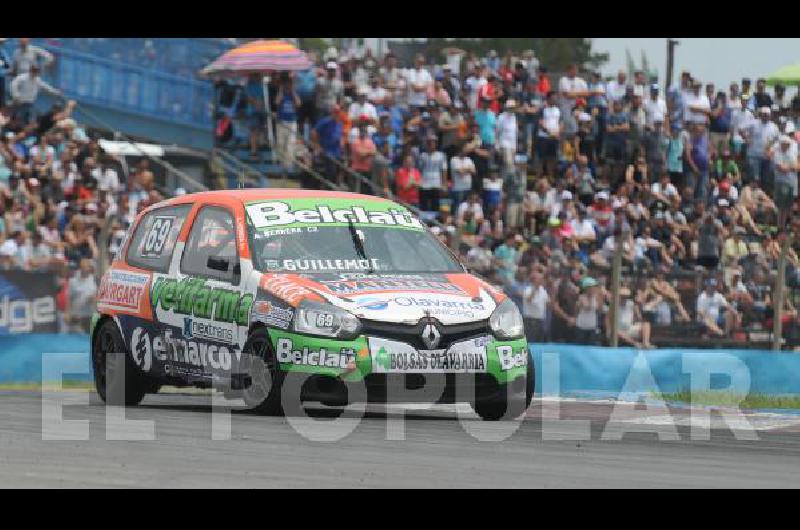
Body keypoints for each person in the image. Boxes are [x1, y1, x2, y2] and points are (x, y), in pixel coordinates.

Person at [418, 136, 447, 213]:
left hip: (436, 183)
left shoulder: (441, 155)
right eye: (430, 143)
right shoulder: (423, 155)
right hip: (425, 183)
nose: (431, 144)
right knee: (424, 205)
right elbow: (420, 170)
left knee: (435, 205)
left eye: (433, 143)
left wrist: (444, 184)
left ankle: (434, 223)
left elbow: (444, 170)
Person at [523, 270, 549, 342]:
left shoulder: (543, 290)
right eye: (539, 279)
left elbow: (547, 303)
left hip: (540, 320)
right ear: (533, 280)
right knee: (531, 341)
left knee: (539, 341)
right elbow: (529, 300)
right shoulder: (528, 290)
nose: (541, 281)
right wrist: (535, 289)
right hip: (530, 320)